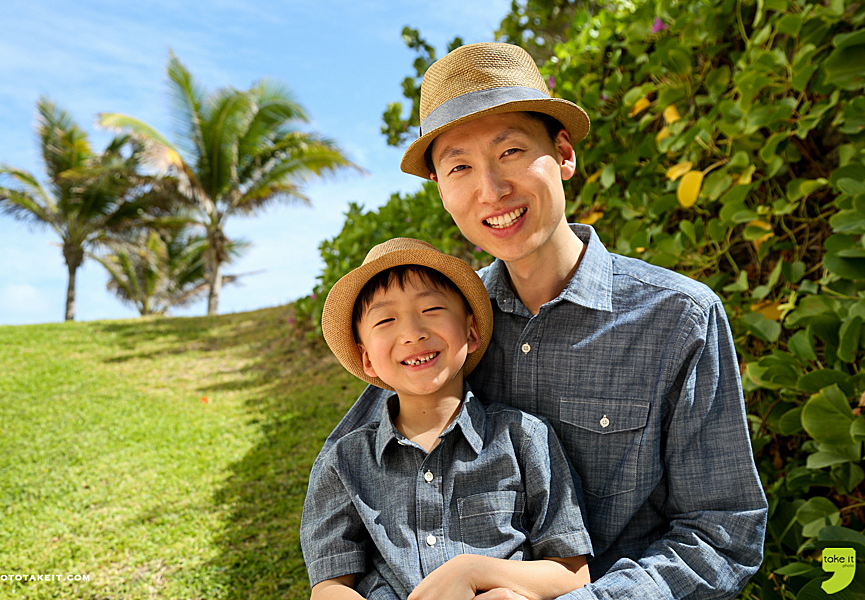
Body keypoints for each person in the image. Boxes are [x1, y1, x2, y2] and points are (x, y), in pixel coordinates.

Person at [309, 43, 768, 600]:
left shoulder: (678, 319)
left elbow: (723, 536)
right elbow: (359, 469)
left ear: (564, 154)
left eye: (511, 152)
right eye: (460, 167)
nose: (492, 189)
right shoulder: (444, 326)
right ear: (441, 191)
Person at [301, 237, 593, 600]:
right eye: (386, 320)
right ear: (367, 360)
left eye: (432, 309)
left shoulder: (523, 438)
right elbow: (329, 585)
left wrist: (479, 574)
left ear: (471, 331)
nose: (412, 333)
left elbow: (572, 574)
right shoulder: (344, 463)